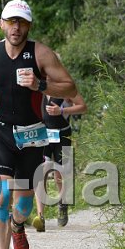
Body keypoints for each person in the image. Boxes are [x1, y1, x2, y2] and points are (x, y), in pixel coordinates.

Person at [0, 0, 78, 249]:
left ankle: (18, 225)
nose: (16, 27)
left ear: (29, 26)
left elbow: (70, 88)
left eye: (21, 22)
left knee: (23, 205)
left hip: (32, 136)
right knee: (1, 195)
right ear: (1, 24)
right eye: (11, 21)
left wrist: (40, 85)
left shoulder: (42, 54)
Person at [32, 91, 87, 232]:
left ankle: (63, 204)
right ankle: (40, 216)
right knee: (41, 173)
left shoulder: (64, 87)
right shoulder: (37, 88)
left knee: (60, 175)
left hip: (63, 135)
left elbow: (82, 107)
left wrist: (62, 111)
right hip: (43, 135)